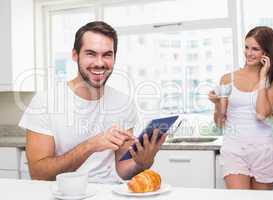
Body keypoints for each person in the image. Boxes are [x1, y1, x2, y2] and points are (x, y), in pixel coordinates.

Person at [19, 21, 166, 183]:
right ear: (75, 55)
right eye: (91, 53)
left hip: (108, 192)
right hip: (66, 193)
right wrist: (90, 146)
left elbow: (123, 170)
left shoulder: (123, 103)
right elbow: (39, 174)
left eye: (107, 55)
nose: (99, 63)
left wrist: (142, 163)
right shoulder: (45, 102)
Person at [208, 26, 273, 190]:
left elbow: (261, 114)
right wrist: (217, 104)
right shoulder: (227, 79)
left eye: (255, 49)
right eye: (246, 47)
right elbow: (219, 122)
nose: (249, 53)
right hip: (234, 149)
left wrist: (262, 78)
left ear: (266, 52)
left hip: (263, 151)